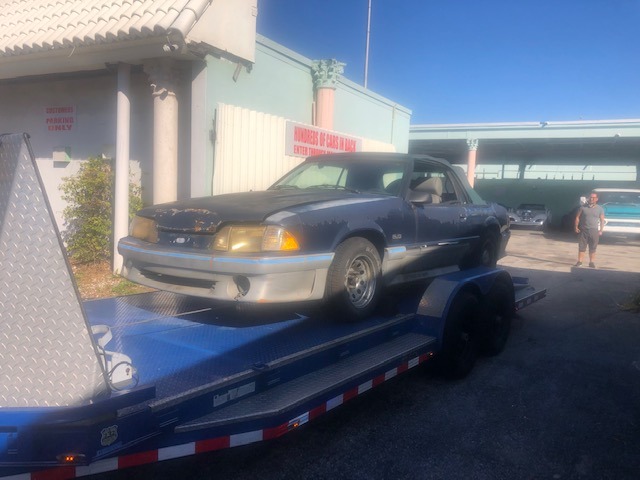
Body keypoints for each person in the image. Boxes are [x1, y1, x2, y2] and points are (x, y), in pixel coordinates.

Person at [574, 191, 605, 268]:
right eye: (590, 197)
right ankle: (580, 262)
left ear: (596, 199)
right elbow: (577, 217)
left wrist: (601, 230)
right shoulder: (582, 207)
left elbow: (602, 220)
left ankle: (591, 262)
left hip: (594, 231)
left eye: (593, 198)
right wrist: (576, 227)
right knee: (581, 247)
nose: (591, 199)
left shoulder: (600, 209)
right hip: (583, 230)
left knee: (593, 247)